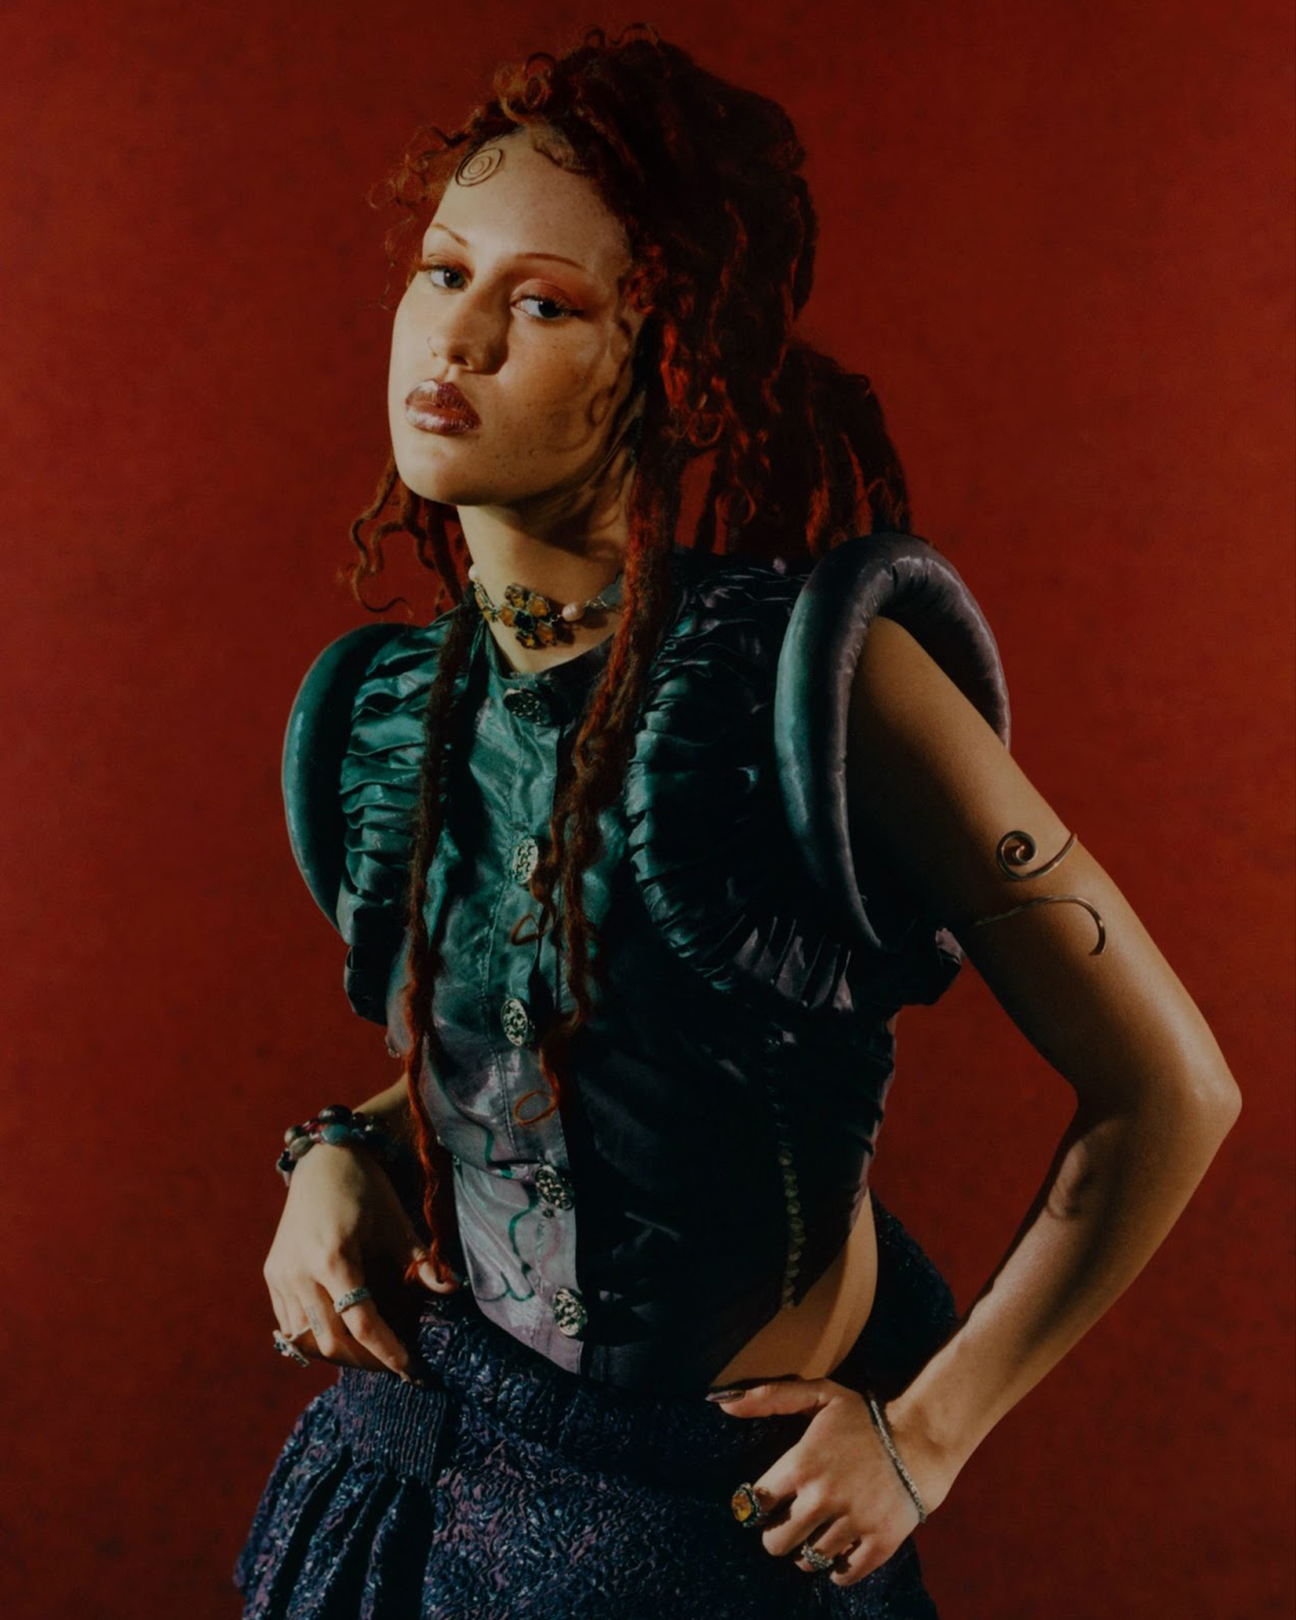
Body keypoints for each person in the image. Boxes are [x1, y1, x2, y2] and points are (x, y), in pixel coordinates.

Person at [233, 24, 1241, 1620]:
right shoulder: (382, 712)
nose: (458, 336)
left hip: (706, 1536)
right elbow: (539, 1050)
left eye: (544, 303)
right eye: (442, 273)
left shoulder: (820, 684)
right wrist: (344, 1152)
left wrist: (927, 1435)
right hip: (417, 1473)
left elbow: (1171, 1087)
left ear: (673, 356)